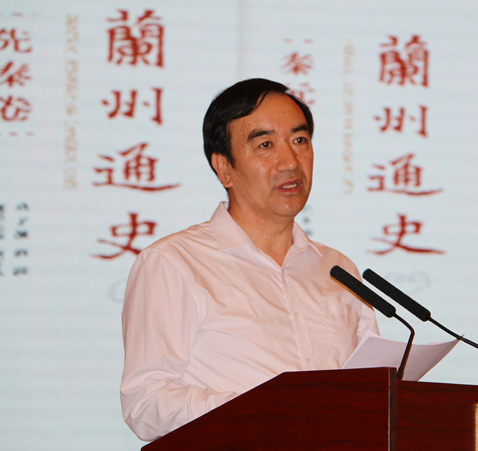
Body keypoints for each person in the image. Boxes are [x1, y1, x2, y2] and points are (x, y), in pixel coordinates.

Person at [120, 79, 379, 441]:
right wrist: (267, 411)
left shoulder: (337, 270)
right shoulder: (174, 264)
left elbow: (370, 396)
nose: (290, 162)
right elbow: (146, 405)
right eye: (265, 145)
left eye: (300, 140)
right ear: (224, 168)